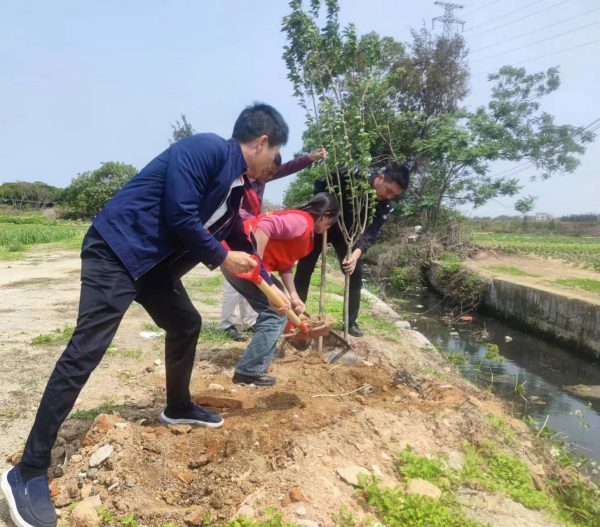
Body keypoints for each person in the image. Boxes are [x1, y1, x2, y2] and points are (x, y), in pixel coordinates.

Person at [1, 103, 289, 527]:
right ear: (262, 142)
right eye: (275, 154)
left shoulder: (232, 191)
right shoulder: (206, 149)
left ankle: (178, 405)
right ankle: (27, 470)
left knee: (186, 323)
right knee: (85, 352)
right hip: (115, 251)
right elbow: (179, 214)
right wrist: (223, 258)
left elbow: (239, 244)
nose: (273, 165)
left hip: (149, 270)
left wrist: (283, 296)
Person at [221, 192, 339, 387]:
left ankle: (257, 365)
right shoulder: (302, 222)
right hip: (242, 264)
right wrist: (255, 260)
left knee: (281, 310)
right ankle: (249, 371)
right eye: (329, 223)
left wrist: (294, 296)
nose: (327, 228)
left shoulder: (304, 230)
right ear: (325, 215)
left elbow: (285, 266)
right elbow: (265, 226)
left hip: (247, 265)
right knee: (274, 314)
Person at [219, 148, 328, 342]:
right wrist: (257, 258)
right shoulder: (240, 177)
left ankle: (250, 322)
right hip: (237, 231)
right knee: (236, 283)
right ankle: (228, 323)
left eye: (272, 173)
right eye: (268, 171)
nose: (269, 176)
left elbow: (287, 168)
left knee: (254, 290)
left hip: (249, 230)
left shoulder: (262, 177)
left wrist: (308, 158)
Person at [294, 164, 410, 337]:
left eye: (394, 195)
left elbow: (371, 232)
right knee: (305, 266)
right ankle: (296, 314)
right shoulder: (352, 177)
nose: (388, 196)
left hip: (348, 235)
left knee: (354, 274)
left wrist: (355, 255)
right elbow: (320, 182)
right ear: (380, 178)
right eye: (388, 190)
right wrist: (322, 213)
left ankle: (350, 321)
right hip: (323, 226)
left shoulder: (385, 205)